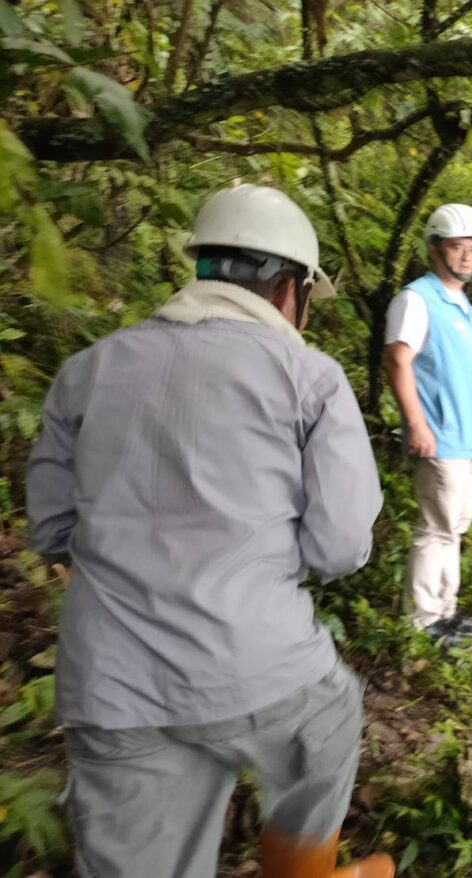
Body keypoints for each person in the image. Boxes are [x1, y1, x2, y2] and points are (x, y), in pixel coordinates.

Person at [26, 184, 392, 878]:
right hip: (260, 666)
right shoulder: (310, 378)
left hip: (111, 682)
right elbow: (339, 547)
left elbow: (50, 527)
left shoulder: (87, 370)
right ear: (291, 289)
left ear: (201, 267)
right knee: (329, 719)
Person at [384, 204, 472, 645]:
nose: (467, 256)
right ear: (434, 249)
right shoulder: (417, 299)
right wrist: (416, 424)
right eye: (457, 247)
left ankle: (446, 613)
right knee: (436, 529)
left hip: (470, 439)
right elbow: (398, 360)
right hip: (442, 436)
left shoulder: (463, 305)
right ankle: (424, 619)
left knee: (455, 528)